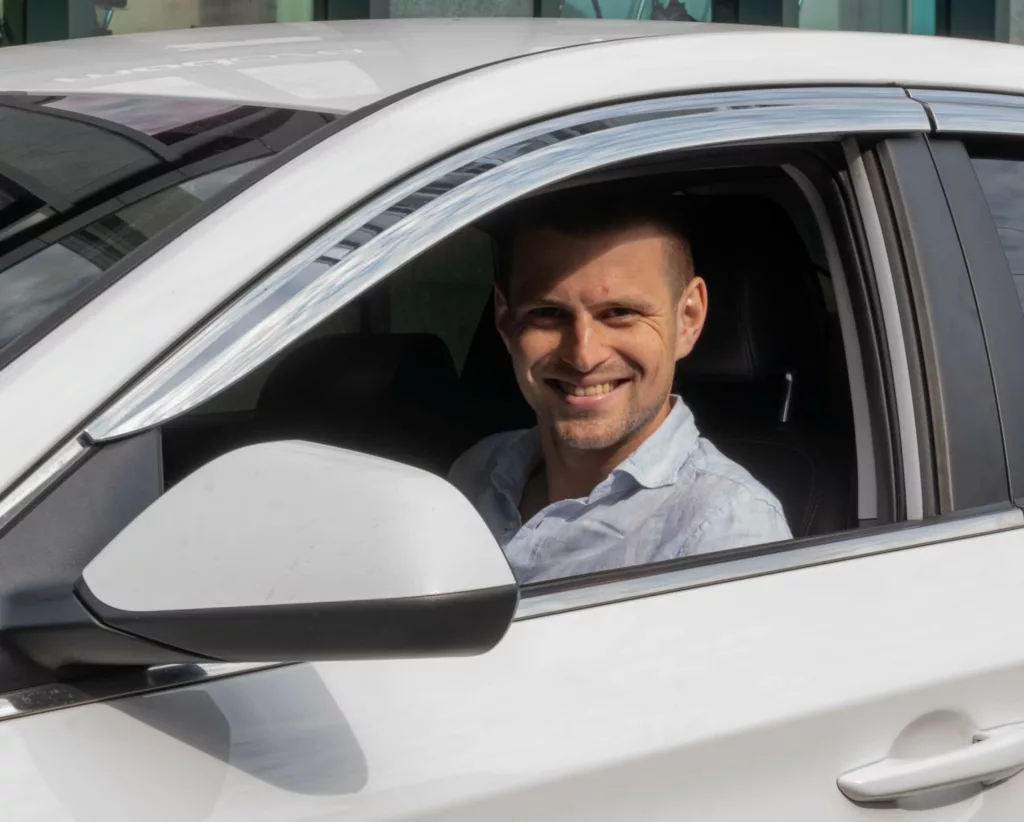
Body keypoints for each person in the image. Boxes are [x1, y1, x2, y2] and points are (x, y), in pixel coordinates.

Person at [449, 186, 791, 583]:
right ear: (505, 320)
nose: (584, 356)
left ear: (688, 319)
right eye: (548, 313)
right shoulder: (476, 472)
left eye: (620, 312)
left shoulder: (724, 532)